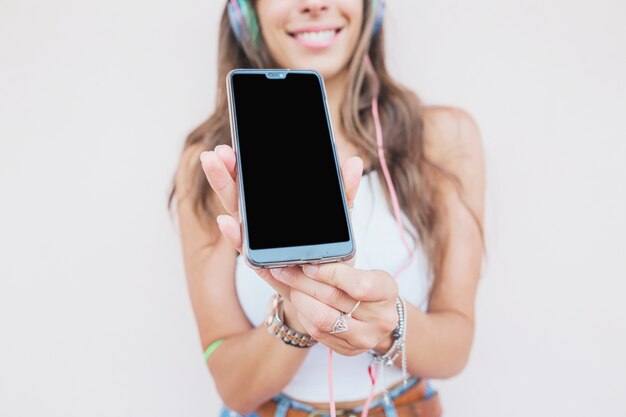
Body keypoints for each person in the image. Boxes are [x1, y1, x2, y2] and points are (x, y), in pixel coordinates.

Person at [169, 1, 485, 416]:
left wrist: (388, 323)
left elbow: (454, 349)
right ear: (246, 13)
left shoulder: (445, 137)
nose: (315, 3)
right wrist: (299, 312)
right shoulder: (213, 163)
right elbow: (234, 387)